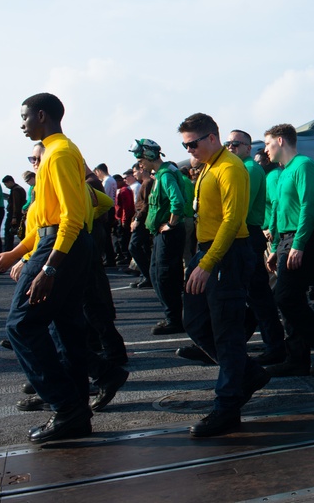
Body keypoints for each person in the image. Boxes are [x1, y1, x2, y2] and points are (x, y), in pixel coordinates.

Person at [0, 93, 97, 443]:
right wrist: (17, 252)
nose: (21, 124)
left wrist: (48, 269)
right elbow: (46, 219)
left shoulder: (61, 153)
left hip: (61, 248)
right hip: (58, 244)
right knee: (67, 329)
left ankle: (66, 407)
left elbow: (71, 218)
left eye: (24, 117)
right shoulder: (53, 152)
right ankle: (76, 412)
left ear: (41, 115)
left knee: (21, 325)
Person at [178, 112, 270, 437]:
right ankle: (248, 373)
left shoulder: (230, 167)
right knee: (194, 322)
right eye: (186, 145)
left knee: (227, 334)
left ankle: (227, 407)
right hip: (209, 252)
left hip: (227, 253)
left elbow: (233, 221)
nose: (189, 150)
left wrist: (208, 263)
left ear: (211, 138)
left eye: (192, 144)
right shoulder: (209, 167)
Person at [262, 123, 314, 378]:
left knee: (285, 298)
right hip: (287, 238)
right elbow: (279, 211)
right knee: (291, 300)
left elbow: (310, 208)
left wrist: (297, 245)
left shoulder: (304, 166)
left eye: (267, 144)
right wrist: (276, 247)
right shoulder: (285, 171)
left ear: (280, 140)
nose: (265, 150)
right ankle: (297, 359)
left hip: (304, 239)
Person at [225, 129, 286, 365]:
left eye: (235, 144)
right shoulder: (245, 168)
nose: (230, 147)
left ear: (248, 148)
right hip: (248, 233)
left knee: (258, 295)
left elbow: (239, 207)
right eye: (228, 143)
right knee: (254, 295)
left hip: (248, 233)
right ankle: (241, 340)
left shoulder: (248, 169)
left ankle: (274, 345)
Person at [130, 139, 186, 335]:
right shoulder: (161, 175)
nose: (140, 164)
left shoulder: (165, 176)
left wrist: (171, 223)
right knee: (156, 274)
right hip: (160, 235)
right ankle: (171, 316)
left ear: (150, 156)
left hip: (168, 235)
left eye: (141, 158)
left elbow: (177, 202)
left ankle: (174, 320)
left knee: (164, 276)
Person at [2, 175, 27, 252]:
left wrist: (14, 217)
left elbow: (16, 204)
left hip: (15, 214)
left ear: (10, 182)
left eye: (6, 184)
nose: (6, 186)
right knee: (21, 231)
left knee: (9, 232)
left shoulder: (15, 190)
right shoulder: (20, 188)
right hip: (20, 214)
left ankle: (8, 250)